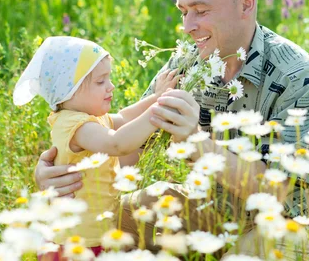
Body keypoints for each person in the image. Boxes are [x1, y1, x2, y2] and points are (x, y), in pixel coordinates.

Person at [35, 0, 309, 259]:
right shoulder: (188, 62)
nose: (188, 27)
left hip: (282, 223)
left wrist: (197, 143)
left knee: (254, 251)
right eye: (184, 13)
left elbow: (279, 192)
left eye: (201, 11)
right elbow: (126, 157)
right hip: (206, 209)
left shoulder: (295, 74)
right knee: (96, 221)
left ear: (246, 4)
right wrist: (61, 171)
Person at [13, 36, 191, 258]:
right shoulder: (74, 124)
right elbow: (116, 143)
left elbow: (125, 117)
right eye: (100, 82)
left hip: (95, 236)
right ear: (70, 90)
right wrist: (159, 110)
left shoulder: (92, 119)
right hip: (75, 243)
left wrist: (156, 96)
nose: (111, 86)